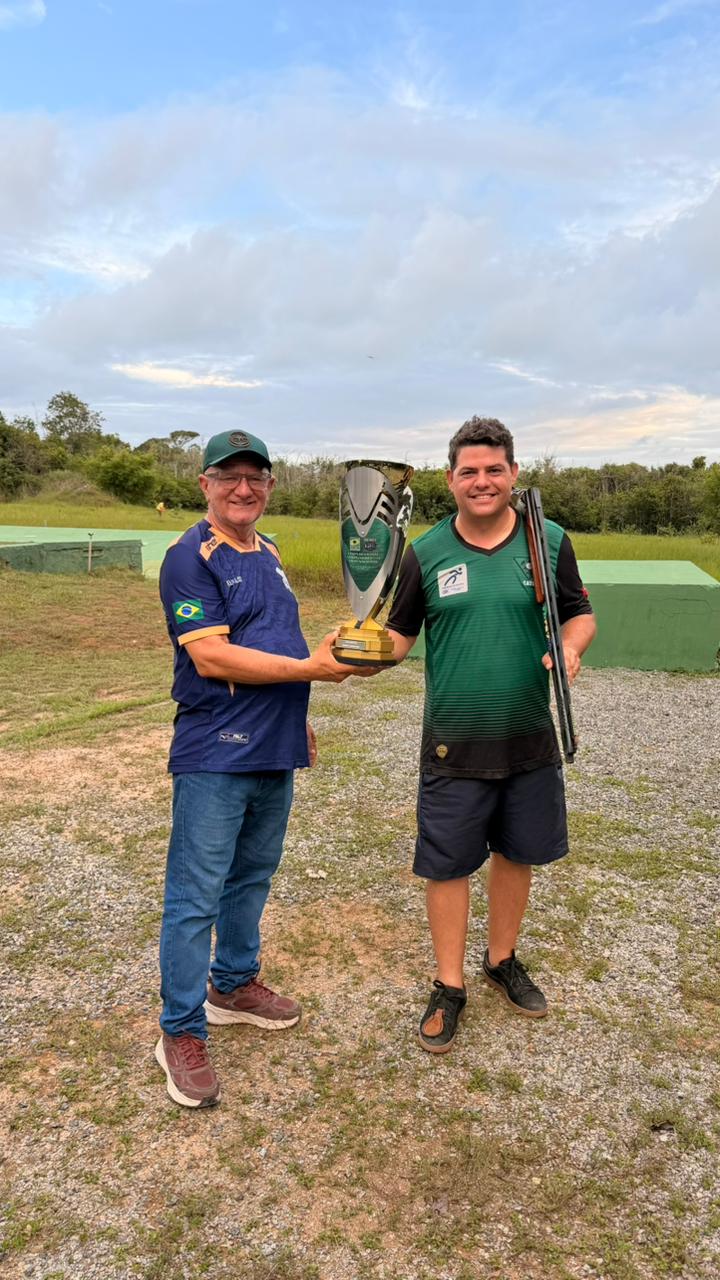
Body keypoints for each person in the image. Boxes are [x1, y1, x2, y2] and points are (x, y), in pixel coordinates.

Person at [156, 428, 361, 1107]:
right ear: (205, 485)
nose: (243, 489)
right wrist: (311, 672)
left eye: (255, 477)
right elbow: (211, 655)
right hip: (215, 752)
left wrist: (297, 715)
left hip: (274, 745)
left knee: (251, 876)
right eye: (229, 476)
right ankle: (180, 1029)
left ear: (270, 486)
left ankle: (234, 984)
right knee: (196, 895)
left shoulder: (268, 551)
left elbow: (276, 638)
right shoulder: (188, 557)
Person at [386, 416, 596, 1053]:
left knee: (517, 852)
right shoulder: (425, 552)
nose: (483, 481)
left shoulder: (547, 539)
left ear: (513, 473)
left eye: (494, 469)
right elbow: (399, 638)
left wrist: (571, 647)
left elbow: (579, 614)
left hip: (530, 735)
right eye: (469, 471)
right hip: (453, 741)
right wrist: (353, 651)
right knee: (447, 864)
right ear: (451, 479)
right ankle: (449, 985)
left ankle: (501, 959)